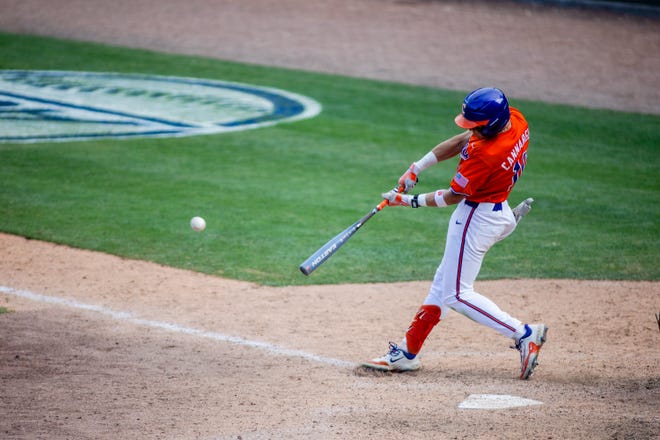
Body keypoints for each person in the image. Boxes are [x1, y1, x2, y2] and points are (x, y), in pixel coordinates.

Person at [361, 87, 547, 380]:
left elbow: (451, 196)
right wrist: (416, 167)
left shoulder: (487, 155)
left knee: (457, 294)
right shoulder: (515, 119)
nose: (471, 129)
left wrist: (407, 201)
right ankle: (408, 353)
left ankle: (523, 333)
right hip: (495, 210)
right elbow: (465, 138)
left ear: (491, 125)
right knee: (443, 283)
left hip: (476, 218)